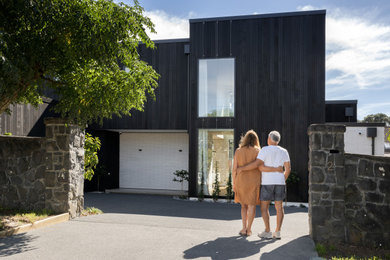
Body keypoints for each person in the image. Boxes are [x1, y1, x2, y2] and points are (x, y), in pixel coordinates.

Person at [237, 130, 290, 239]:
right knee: (279, 208)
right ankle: (278, 231)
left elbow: (258, 166)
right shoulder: (284, 151)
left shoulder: (264, 150)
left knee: (264, 208)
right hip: (280, 183)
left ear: (269, 139)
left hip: (267, 183)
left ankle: (267, 231)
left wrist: (242, 168)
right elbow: (288, 169)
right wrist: (281, 178)